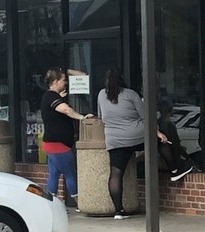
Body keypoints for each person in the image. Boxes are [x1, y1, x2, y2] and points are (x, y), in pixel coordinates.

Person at [97, 67, 192, 220]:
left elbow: (101, 117)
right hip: (136, 135)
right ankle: (174, 170)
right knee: (161, 142)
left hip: (114, 139)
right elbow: (146, 116)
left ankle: (118, 212)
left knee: (115, 174)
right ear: (122, 79)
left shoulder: (102, 95)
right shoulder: (130, 94)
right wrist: (159, 133)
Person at [41, 67, 93, 210]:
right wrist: (82, 117)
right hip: (59, 145)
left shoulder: (51, 97)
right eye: (64, 80)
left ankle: (50, 205)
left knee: (54, 175)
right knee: (70, 174)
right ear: (56, 81)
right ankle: (81, 204)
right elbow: (65, 110)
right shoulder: (51, 96)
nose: (66, 83)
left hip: (51, 144)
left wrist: (61, 99)